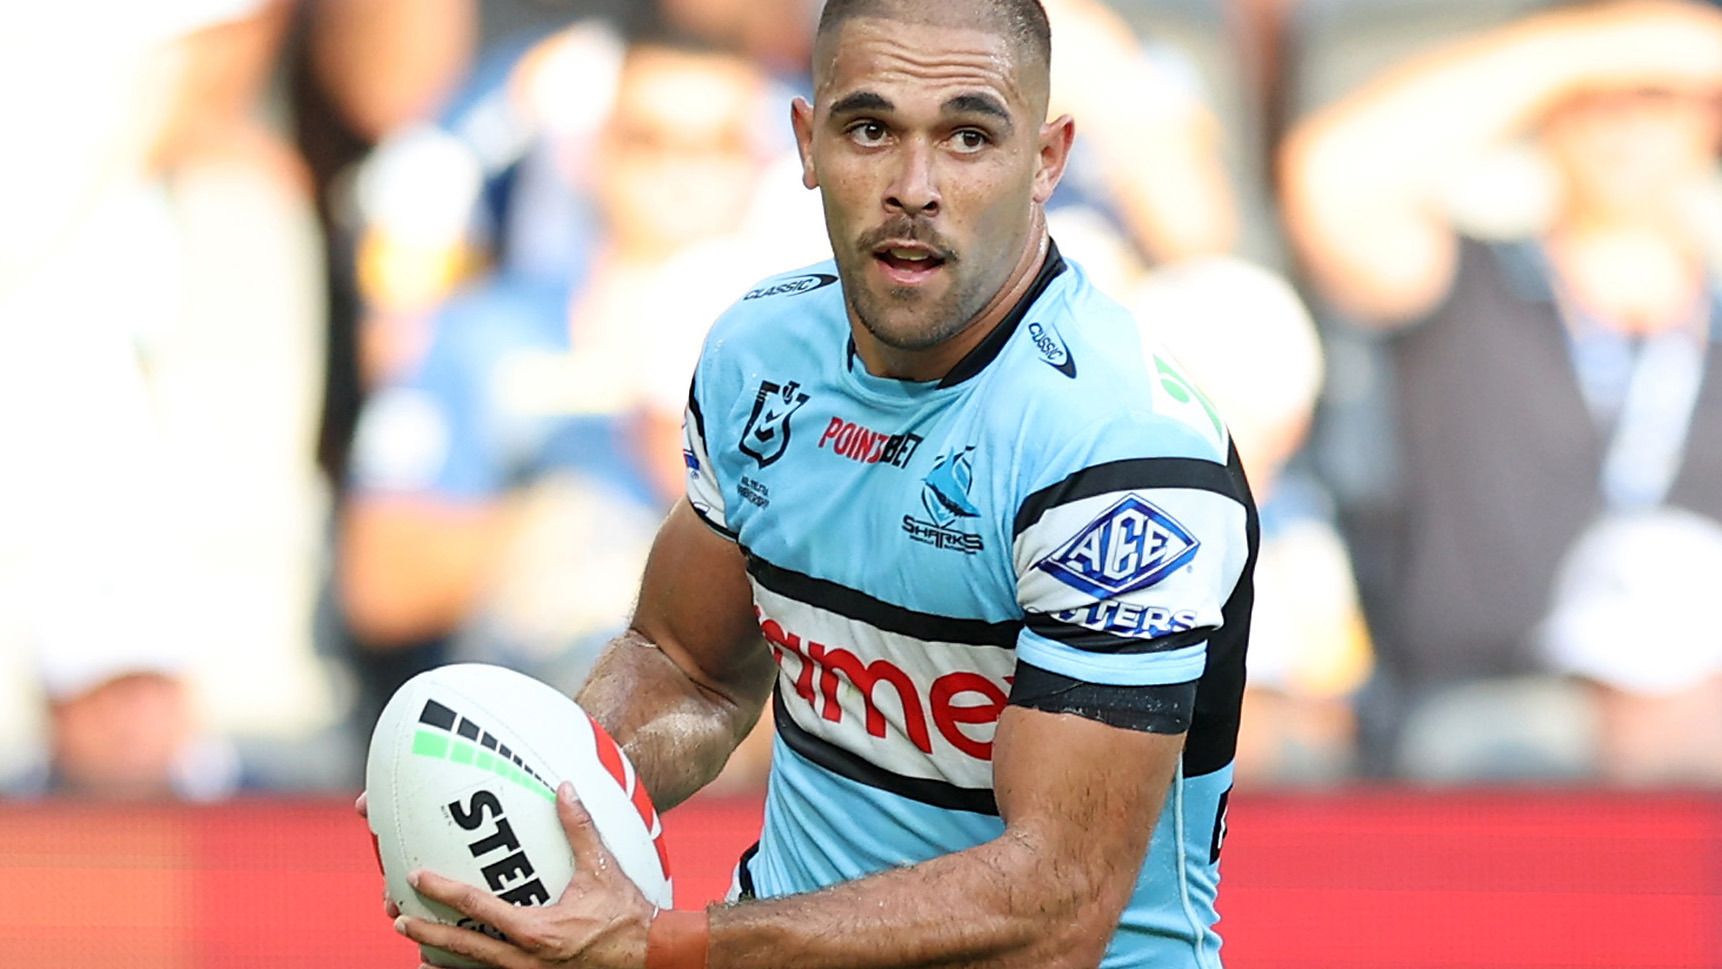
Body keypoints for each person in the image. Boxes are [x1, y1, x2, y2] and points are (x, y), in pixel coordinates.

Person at [375, 1, 1258, 966]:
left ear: (1047, 160)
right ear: (805, 141)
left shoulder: (1122, 455)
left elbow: (1053, 906)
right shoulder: (758, 356)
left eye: (969, 136)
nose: (913, 187)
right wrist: (526, 798)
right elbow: (688, 665)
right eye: (871, 129)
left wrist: (660, 949)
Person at [1280, 0, 1722, 781]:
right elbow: (1330, 181)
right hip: (1488, 717)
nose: (1618, 123)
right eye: (1591, 95)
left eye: (1653, 96)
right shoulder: (1469, 284)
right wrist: (1588, 46)